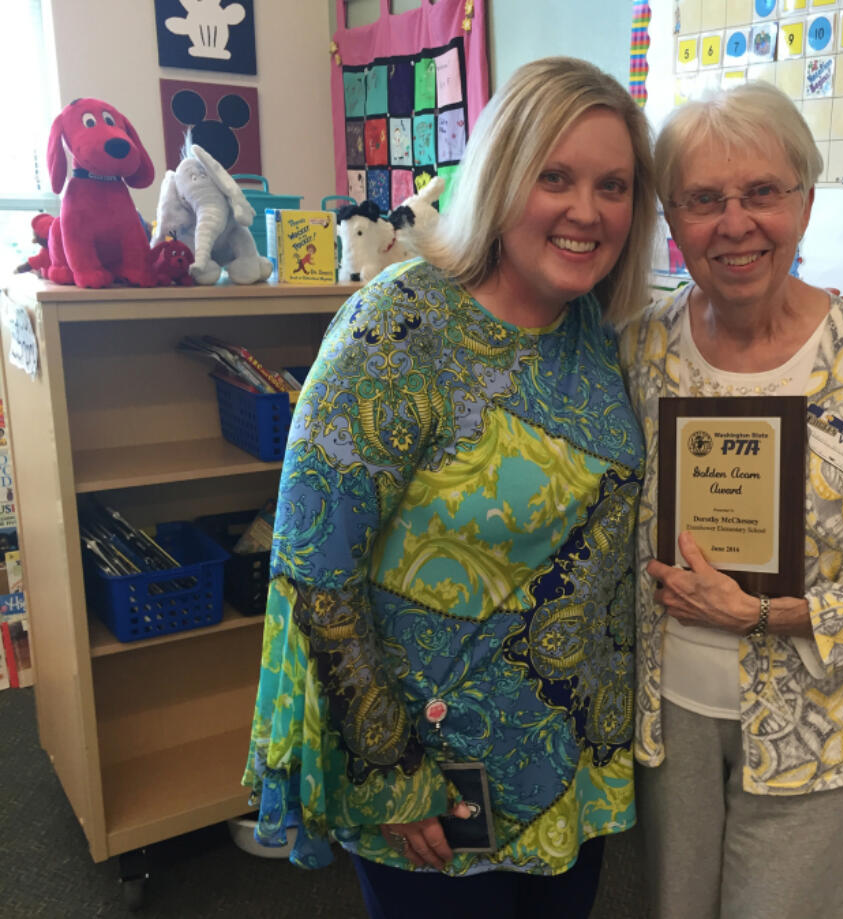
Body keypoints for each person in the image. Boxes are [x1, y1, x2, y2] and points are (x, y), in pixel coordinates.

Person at [243, 56, 655, 919]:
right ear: (502, 176)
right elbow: (314, 566)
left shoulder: (597, 329)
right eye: (556, 176)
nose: (588, 210)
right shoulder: (399, 324)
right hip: (429, 778)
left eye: (613, 185)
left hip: (567, 768)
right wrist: (391, 764)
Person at [618, 81, 843, 919]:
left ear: (802, 198)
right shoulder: (641, 351)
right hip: (669, 721)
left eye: (762, 191)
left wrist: (763, 615)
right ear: (673, 218)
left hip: (821, 729)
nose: (735, 222)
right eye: (702, 199)